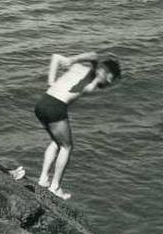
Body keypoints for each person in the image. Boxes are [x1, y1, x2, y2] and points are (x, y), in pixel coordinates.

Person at [35, 52, 122, 200]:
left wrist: (51, 81)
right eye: (110, 78)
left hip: (43, 103)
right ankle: (55, 187)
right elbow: (95, 57)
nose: (108, 82)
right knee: (67, 147)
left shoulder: (78, 68)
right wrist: (75, 60)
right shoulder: (93, 75)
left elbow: (56, 57)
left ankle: (43, 179)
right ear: (105, 72)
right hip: (56, 106)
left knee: (57, 143)